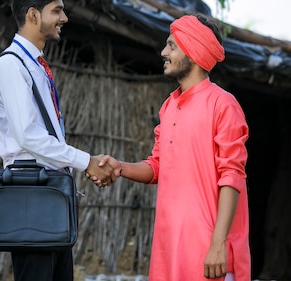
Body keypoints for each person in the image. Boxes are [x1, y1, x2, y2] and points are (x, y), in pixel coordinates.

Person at [96, 15, 250, 281]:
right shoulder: (168, 106)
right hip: (169, 249)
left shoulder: (223, 104)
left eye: (172, 46)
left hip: (208, 254)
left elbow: (232, 177)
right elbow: (157, 166)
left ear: (194, 51)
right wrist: (120, 168)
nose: (163, 52)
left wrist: (217, 244)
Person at [0, 0, 114, 281]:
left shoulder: (36, 65)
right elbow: (28, 136)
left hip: (49, 191)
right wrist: (87, 162)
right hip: (30, 192)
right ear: (33, 15)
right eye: (56, 10)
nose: (64, 17)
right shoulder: (11, 64)